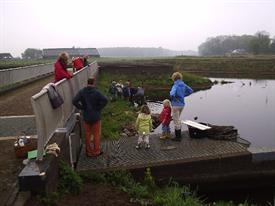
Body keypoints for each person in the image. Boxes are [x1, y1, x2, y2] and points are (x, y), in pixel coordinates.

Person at [72, 77, 108, 157]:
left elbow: (74, 101)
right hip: (96, 117)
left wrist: (82, 107)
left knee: (87, 135)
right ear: (93, 83)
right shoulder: (97, 92)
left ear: (87, 82)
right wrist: (99, 108)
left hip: (86, 117)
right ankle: (96, 151)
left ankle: (89, 152)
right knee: (96, 135)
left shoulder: (82, 92)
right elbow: (105, 100)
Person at [170, 72, 193, 141]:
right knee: (178, 119)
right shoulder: (183, 84)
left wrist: (173, 98)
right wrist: (183, 95)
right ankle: (179, 134)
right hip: (182, 105)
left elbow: (172, 94)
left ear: (174, 78)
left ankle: (178, 137)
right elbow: (191, 91)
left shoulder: (175, 85)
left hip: (175, 105)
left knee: (176, 121)